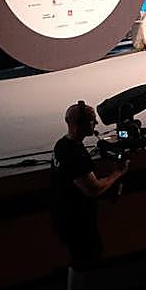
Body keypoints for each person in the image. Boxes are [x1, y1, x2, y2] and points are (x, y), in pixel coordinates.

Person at [51, 101, 126, 264]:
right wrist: (117, 173)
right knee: (87, 259)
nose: (97, 123)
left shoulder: (60, 145)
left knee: (78, 260)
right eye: (92, 120)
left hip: (65, 217)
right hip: (78, 224)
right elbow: (94, 189)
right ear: (82, 124)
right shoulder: (75, 154)